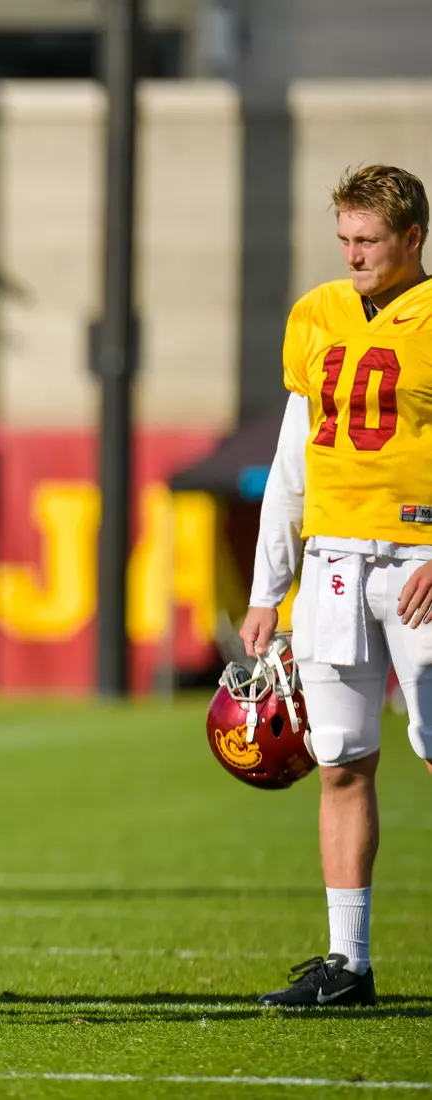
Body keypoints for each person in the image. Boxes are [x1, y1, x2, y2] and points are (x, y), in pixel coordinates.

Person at [242, 163, 432, 1008]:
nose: (353, 256)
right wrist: (264, 588)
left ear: (414, 239)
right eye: (345, 240)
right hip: (331, 564)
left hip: (418, 560)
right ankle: (347, 963)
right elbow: (291, 463)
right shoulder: (314, 316)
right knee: (342, 761)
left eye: (370, 241)